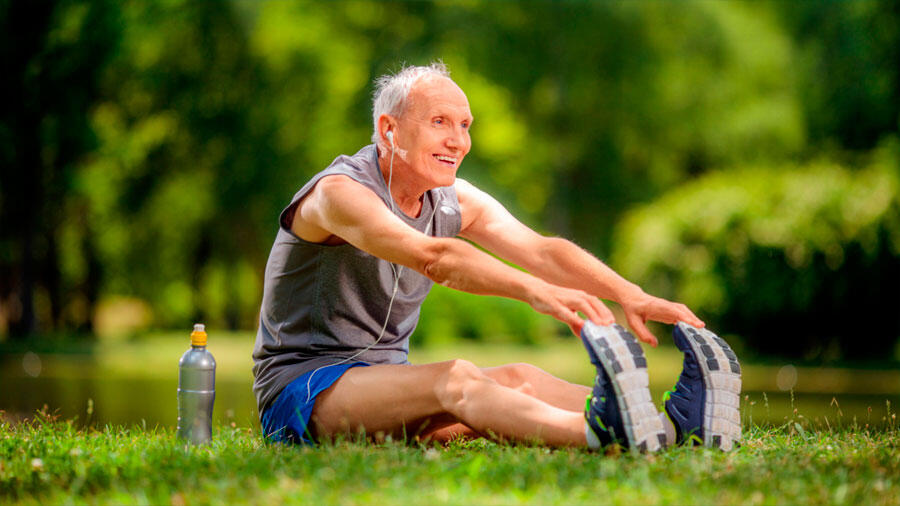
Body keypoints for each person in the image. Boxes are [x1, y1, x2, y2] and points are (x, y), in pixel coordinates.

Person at [252, 62, 742, 452]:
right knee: (455, 378)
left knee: (519, 379)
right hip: (304, 391)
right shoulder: (339, 194)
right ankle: (604, 431)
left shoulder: (448, 199)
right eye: (439, 123)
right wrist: (535, 292)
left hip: (385, 385)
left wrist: (630, 296)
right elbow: (434, 257)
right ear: (390, 130)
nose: (457, 140)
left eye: (464, 126)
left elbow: (540, 249)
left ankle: (672, 427)